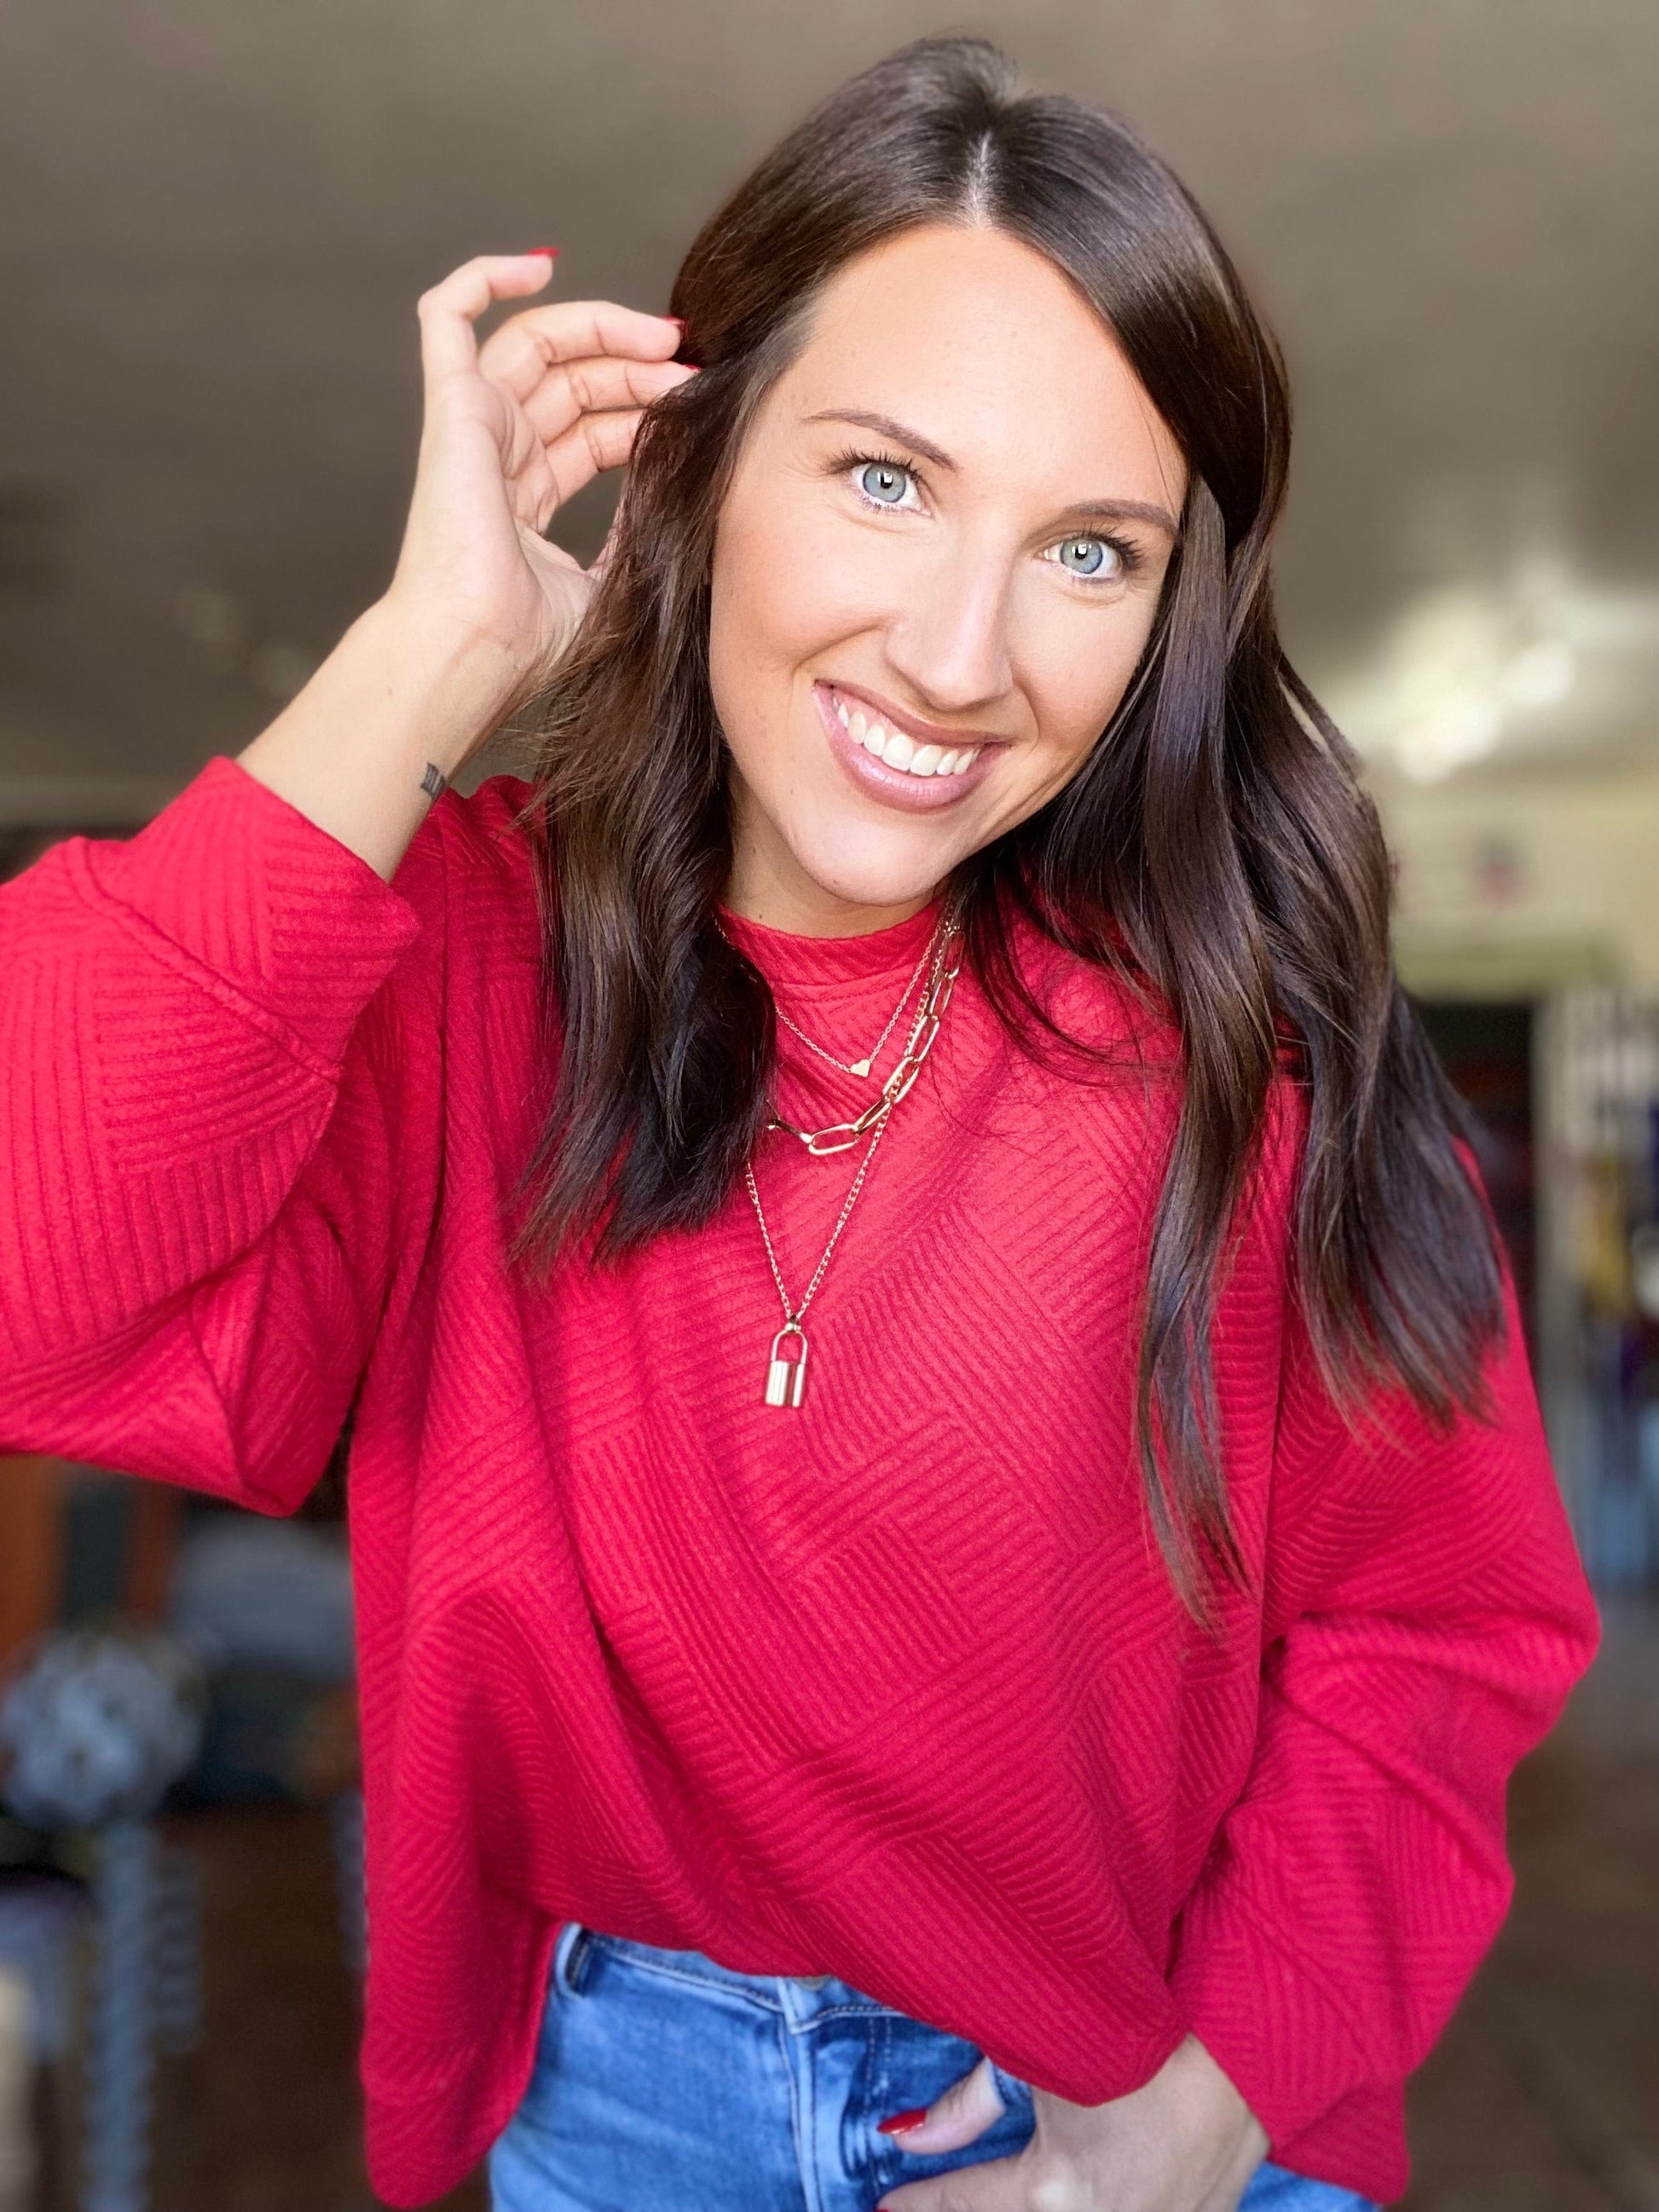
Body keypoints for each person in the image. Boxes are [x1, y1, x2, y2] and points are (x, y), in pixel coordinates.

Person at [0, 34, 1598, 2212]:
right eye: (881, 479)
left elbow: (1439, 1635)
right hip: (613, 2123)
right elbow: (36, 1279)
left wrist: (1208, 2107)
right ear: (696, 463)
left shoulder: (1255, 1045)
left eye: (1092, 552)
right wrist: (431, 648)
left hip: (1119, 2114)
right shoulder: (462, 969)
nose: (959, 653)